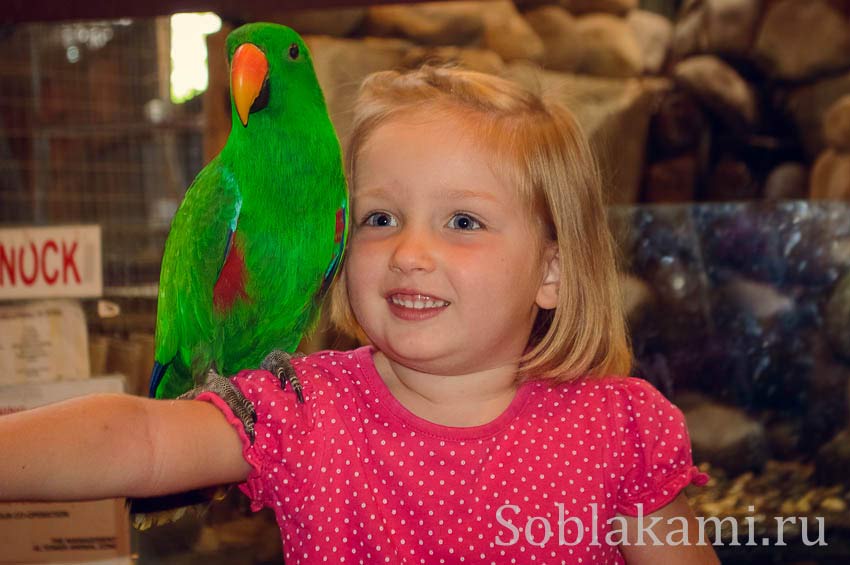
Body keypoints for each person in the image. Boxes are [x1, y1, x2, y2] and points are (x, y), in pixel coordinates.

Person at [0, 66, 719, 564]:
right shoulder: (305, 410)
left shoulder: (620, 430)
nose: (408, 251)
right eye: (380, 216)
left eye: (463, 221)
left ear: (553, 272)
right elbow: (141, 440)